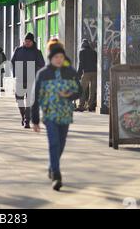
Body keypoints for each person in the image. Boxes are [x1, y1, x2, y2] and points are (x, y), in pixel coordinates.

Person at [31, 41, 81, 191]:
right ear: (50, 58)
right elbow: (36, 97)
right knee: (54, 143)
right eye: (56, 57)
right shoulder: (43, 74)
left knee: (61, 143)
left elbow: (80, 91)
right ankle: (57, 175)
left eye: (61, 56)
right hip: (50, 115)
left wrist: (69, 95)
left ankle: (52, 166)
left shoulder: (70, 72)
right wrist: (34, 120)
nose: (59, 59)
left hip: (65, 115)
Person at [11, 33, 45, 129]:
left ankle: (27, 120)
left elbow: (42, 64)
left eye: (29, 41)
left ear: (32, 41)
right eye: (25, 41)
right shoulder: (18, 50)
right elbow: (12, 61)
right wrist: (15, 74)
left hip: (32, 79)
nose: (27, 43)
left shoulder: (37, 52)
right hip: (20, 79)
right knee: (19, 100)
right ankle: (23, 116)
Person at [76, 39, 97, 112]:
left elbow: (81, 63)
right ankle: (90, 106)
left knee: (82, 89)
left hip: (86, 73)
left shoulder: (81, 52)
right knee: (92, 90)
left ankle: (81, 106)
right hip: (95, 72)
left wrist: (78, 74)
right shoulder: (94, 52)